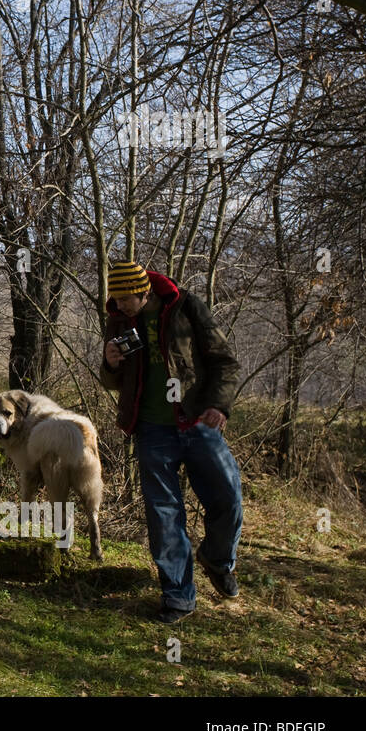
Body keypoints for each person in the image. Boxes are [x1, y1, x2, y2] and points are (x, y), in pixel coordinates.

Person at [101, 260, 243, 623]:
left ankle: (217, 559)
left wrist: (218, 405)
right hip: (151, 429)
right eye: (115, 298)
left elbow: (225, 361)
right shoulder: (117, 319)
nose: (120, 304)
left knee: (228, 497)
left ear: (144, 290)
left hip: (197, 420)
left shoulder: (186, 306)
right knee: (164, 515)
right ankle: (178, 597)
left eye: (126, 298)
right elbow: (114, 381)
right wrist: (111, 364)